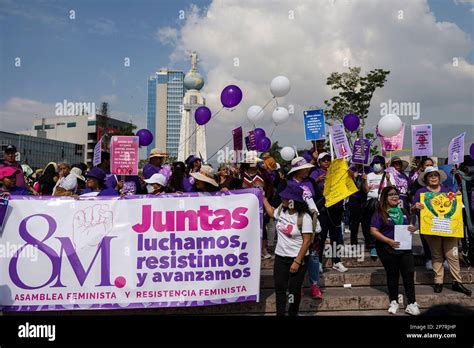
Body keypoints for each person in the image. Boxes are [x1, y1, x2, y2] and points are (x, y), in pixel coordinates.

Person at [412, 166, 471, 296]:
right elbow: (413, 209)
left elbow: (456, 207)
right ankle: (438, 281)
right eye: (430, 175)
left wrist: (458, 197)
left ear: (439, 178)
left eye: (435, 175)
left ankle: (457, 282)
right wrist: (416, 206)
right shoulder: (420, 193)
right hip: (431, 229)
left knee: (453, 255)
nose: (433, 177)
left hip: (449, 228)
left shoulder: (448, 190)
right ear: (426, 179)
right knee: (436, 255)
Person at [262, 184, 312, 316]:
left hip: (298, 259)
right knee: (280, 289)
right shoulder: (280, 210)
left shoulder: (304, 217)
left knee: (294, 290)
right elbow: (272, 213)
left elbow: (307, 242)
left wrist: (297, 261)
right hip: (280, 257)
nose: (282, 198)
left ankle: (293, 313)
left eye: (286, 197)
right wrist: (263, 199)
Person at [370, 186, 420, 315]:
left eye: (396, 194)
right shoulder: (380, 212)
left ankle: (412, 303)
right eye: (391, 194)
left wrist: (413, 228)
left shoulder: (403, 211)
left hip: (404, 248)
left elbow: (409, 225)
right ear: (385, 198)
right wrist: (388, 241)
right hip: (387, 248)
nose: (395, 197)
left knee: (408, 274)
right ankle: (394, 301)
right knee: (392, 275)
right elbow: (373, 231)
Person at [285, 156, 323, 298]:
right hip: (294, 224)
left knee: (313, 256)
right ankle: (297, 285)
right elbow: (280, 200)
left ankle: (314, 285)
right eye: (303, 168)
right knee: (296, 255)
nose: (307, 170)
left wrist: (313, 211)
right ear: (296, 170)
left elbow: (320, 198)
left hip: (311, 223)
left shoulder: (311, 181)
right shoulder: (287, 183)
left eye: (307, 168)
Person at [310, 152, 348, 273]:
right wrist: (317, 180)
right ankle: (319, 262)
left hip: (336, 208)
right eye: (323, 160)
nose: (326, 162)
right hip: (323, 209)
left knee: (336, 236)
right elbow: (309, 186)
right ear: (319, 162)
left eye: (328, 160)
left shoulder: (336, 171)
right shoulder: (316, 172)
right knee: (321, 237)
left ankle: (336, 261)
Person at [238, 151, 274, 259]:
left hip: (261, 204)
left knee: (262, 226)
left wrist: (267, 198)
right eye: (250, 162)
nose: (252, 163)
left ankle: (263, 249)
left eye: (254, 161)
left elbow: (271, 186)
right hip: (245, 205)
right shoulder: (241, 174)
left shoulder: (263, 173)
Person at [361, 155, 388, 257]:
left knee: (384, 224)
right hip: (372, 204)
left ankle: (383, 244)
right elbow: (366, 190)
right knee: (372, 225)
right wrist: (364, 180)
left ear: (383, 165)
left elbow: (391, 189)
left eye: (379, 163)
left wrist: (389, 180)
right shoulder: (369, 175)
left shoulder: (387, 175)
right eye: (375, 163)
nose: (377, 165)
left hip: (384, 204)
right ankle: (373, 246)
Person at [348, 163, 372, 249]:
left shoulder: (368, 169)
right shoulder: (351, 169)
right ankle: (353, 243)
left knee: (366, 223)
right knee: (354, 223)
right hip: (354, 199)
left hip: (365, 199)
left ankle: (368, 243)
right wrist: (353, 177)